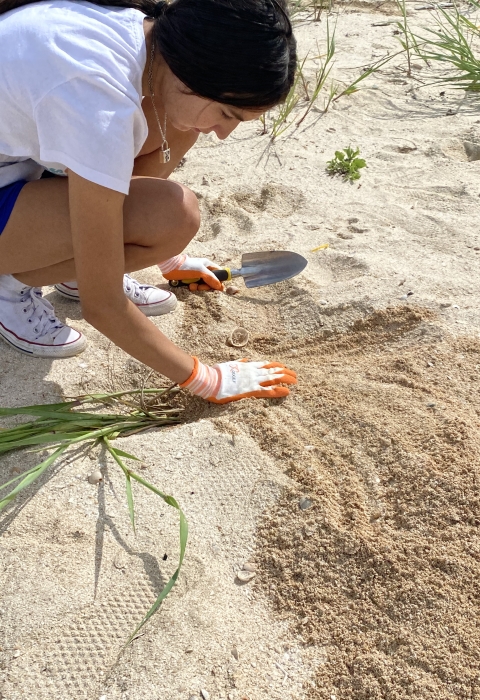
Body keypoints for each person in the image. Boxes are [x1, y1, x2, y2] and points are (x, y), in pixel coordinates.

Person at [0, 0, 298, 403]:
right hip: (16, 172)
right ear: (195, 68)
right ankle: (10, 284)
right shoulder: (96, 99)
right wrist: (206, 380)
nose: (224, 133)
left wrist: (169, 260)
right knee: (174, 215)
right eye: (228, 113)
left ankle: (77, 263)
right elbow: (102, 305)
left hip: (18, 162)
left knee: (179, 128)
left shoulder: (145, 34)